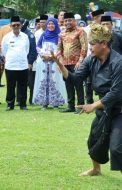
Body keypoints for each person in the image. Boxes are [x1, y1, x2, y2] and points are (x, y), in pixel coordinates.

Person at [51, 23, 122, 176]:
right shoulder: (92, 60)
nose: (89, 47)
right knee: (93, 140)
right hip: (103, 107)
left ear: (103, 44)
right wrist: (60, 64)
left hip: (119, 109)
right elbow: (76, 79)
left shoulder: (118, 62)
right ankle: (96, 169)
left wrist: (93, 106)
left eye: (92, 44)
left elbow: (116, 92)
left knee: (116, 147)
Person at [57, 12, 87, 113]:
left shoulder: (80, 31)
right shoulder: (62, 33)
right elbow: (59, 49)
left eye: (70, 20)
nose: (67, 22)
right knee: (68, 85)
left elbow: (84, 47)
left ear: (74, 21)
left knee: (78, 84)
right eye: (65, 21)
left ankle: (80, 106)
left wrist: (80, 61)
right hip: (65, 64)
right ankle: (70, 106)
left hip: (76, 63)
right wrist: (60, 63)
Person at [33, 17, 66, 108]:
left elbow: (62, 48)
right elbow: (38, 47)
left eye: (52, 24)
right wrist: (43, 55)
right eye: (49, 24)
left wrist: (53, 56)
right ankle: (44, 102)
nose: (50, 26)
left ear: (56, 25)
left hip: (55, 61)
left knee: (55, 80)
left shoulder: (59, 36)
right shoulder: (43, 35)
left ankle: (56, 102)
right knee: (43, 80)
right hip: (43, 61)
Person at [1, 15, 30, 111]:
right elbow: (4, 51)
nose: (16, 27)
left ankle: (23, 104)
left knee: (23, 86)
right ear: (10, 26)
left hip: (22, 65)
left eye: (18, 25)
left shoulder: (25, 37)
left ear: (21, 25)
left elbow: (27, 50)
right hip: (11, 65)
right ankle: (10, 104)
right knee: (10, 86)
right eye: (14, 25)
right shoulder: (6, 37)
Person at [84, 9, 105, 105]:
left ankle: (104, 100)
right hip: (90, 56)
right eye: (101, 16)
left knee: (103, 79)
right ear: (95, 17)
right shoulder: (87, 29)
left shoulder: (105, 28)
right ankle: (89, 101)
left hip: (103, 57)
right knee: (88, 81)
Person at [16, 19, 37, 106]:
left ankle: (31, 100)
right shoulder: (16, 34)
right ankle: (19, 100)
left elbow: (33, 50)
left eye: (20, 24)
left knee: (30, 82)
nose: (18, 26)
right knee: (19, 82)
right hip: (18, 62)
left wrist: (30, 62)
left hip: (27, 62)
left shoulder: (29, 35)